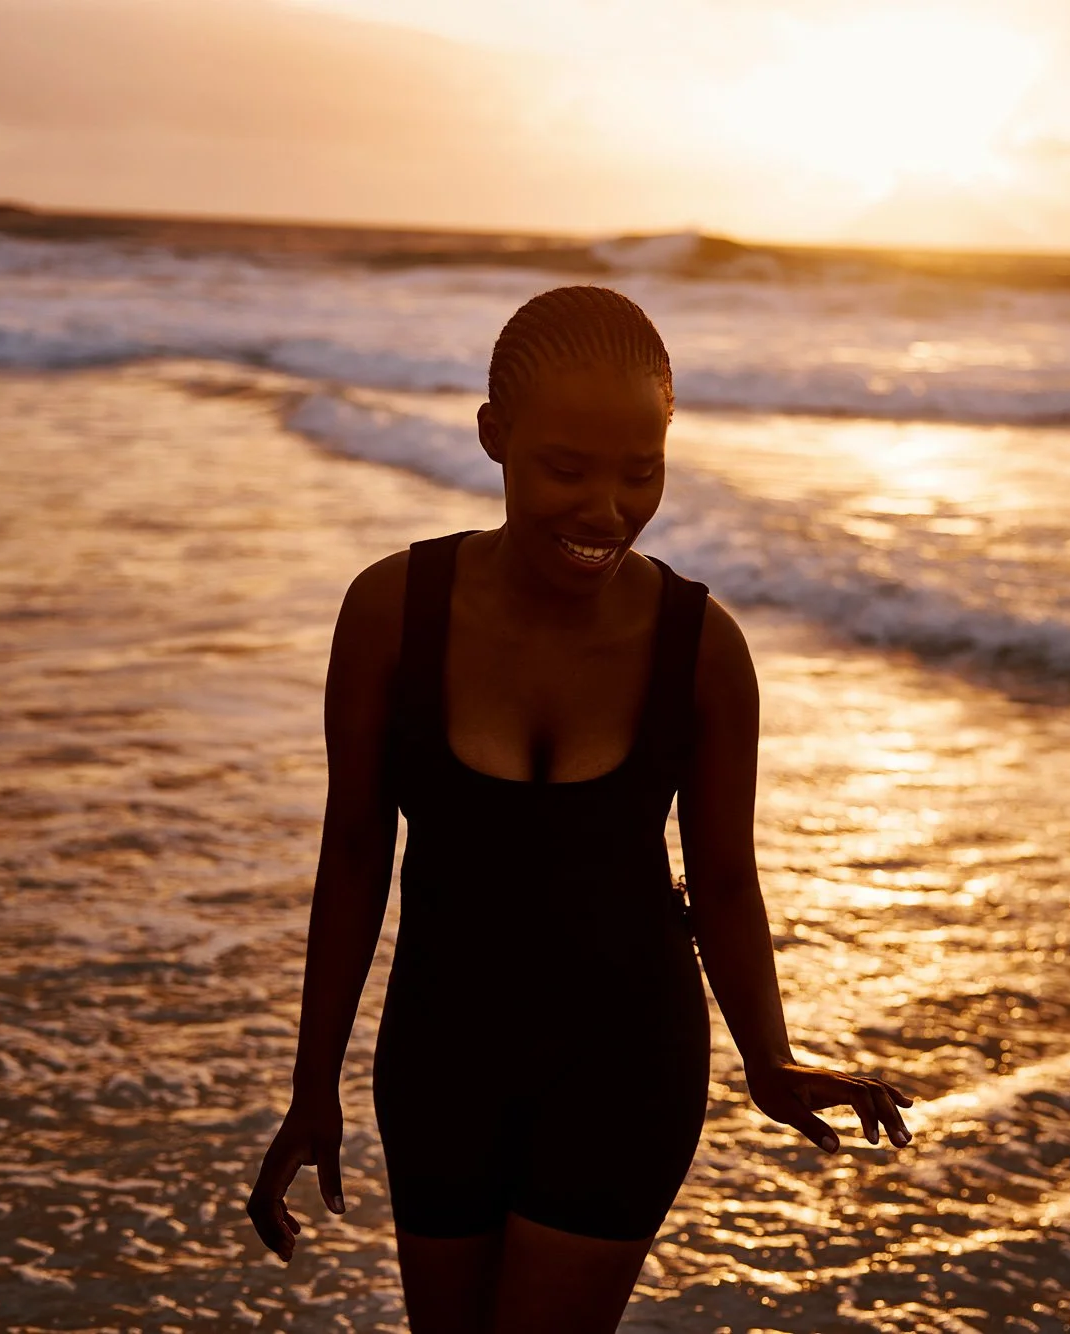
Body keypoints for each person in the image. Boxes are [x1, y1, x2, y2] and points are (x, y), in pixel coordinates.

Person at [247, 285, 913, 1332]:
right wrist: (310, 1081)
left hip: (624, 1065)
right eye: (566, 469)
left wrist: (767, 1053)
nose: (606, 508)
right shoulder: (390, 612)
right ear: (492, 437)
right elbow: (354, 856)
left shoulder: (701, 648)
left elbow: (724, 877)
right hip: (438, 1060)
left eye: (640, 471)